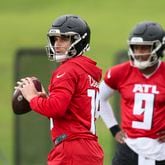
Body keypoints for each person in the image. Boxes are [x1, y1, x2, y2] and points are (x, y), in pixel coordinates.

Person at [16, 14, 104, 165]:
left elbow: (56, 109)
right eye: (55, 39)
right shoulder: (88, 72)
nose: (57, 44)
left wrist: (32, 98)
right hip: (90, 150)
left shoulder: (68, 70)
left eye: (64, 39)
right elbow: (72, 114)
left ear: (79, 41)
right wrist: (45, 100)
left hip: (71, 150)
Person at [99, 21, 165, 165]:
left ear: (159, 47)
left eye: (144, 48)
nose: (139, 53)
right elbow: (99, 98)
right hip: (129, 149)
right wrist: (114, 128)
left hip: (161, 150)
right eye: (136, 48)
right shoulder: (120, 72)